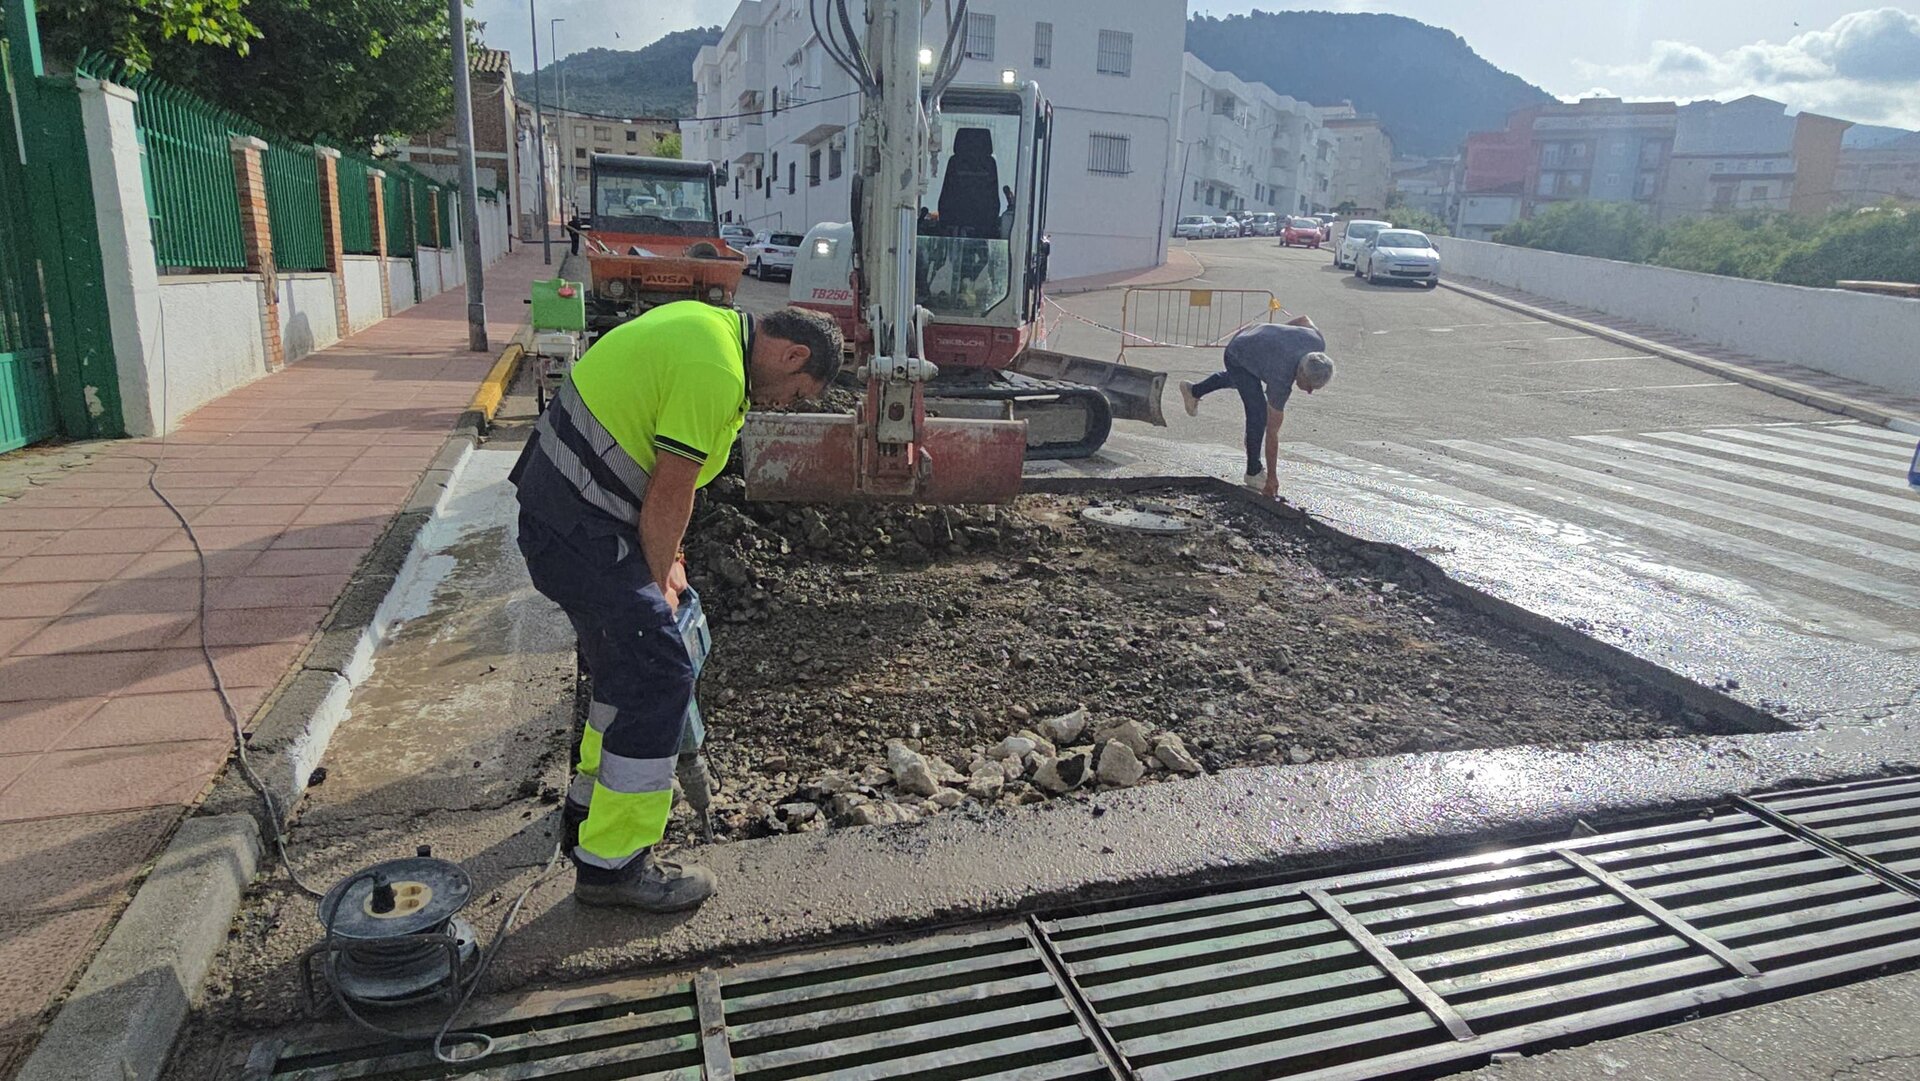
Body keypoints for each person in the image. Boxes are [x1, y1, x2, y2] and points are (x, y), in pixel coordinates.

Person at [511, 301, 842, 911]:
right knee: (661, 674)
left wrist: (671, 565)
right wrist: (658, 582)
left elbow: (659, 472)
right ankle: (614, 867)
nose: (787, 406)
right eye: (799, 393)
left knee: (622, 668)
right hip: (582, 527)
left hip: (571, 516)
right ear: (793, 355)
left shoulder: (712, 336)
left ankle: (588, 810)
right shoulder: (715, 369)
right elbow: (670, 489)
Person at [1178, 315, 1334, 499]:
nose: (1309, 392)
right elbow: (1272, 432)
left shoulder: (1316, 342)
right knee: (1258, 414)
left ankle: (1194, 390)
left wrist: (1276, 337)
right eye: (1308, 386)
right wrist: (1272, 478)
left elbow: (1304, 319)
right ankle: (1253, 472)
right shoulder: (1280, 378)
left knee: (1243, 382)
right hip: (1237, 351)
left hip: (1254, 334)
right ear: (1299, 371)